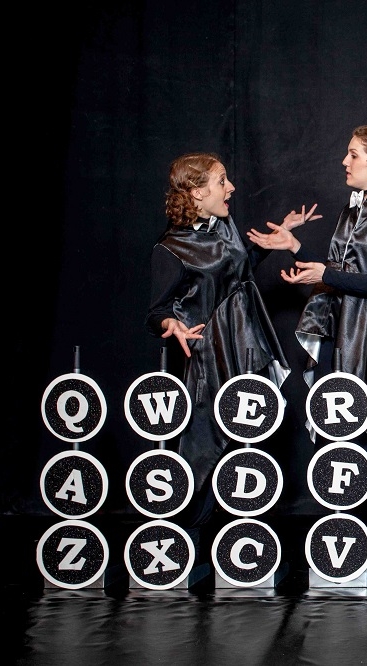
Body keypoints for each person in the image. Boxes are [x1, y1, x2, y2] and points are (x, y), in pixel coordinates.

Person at [247, 125, 367, 549]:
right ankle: (348, 552)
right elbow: (346, 272)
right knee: (343, 450)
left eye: (353, 155)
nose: (344, 162)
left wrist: (327, 274)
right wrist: (297, 250)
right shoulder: (353, 211)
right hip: (343, 341)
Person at [146, 151, 321, 536]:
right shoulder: (170, 248)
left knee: (251, 453)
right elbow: (156, 310)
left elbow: (235, 269)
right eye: (222, 181)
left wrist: (278, 237)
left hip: (248, 351)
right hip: (210, 360)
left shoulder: (224, 226)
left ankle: (244, 544)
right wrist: (170, 322)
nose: (232, 187)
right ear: (197, 192)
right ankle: (183, 541)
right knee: (206, 450)